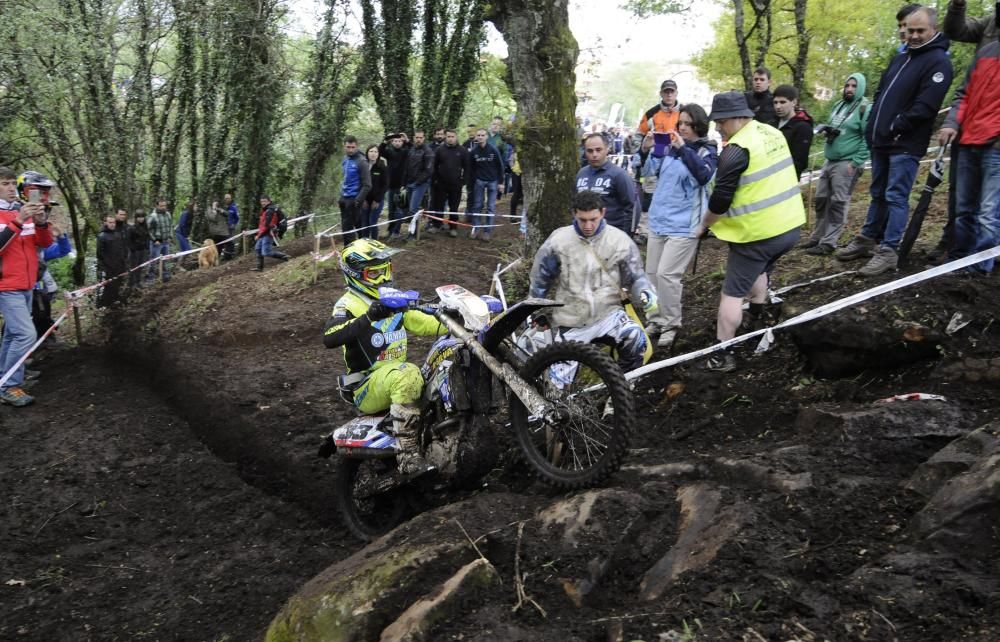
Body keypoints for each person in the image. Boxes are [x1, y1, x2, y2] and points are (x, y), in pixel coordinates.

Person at [835, 7, 953, 276]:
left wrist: (895, 126)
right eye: (910, 30)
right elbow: (881, 93)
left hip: (905, 142)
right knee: (877, 193)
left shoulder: (939, 62)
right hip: (880, 140)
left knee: (896, 195)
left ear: (933, 30)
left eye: (919, 31)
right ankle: (867, 240)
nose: (913, 35)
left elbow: (926, 106)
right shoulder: (901, 58)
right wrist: (873, 127)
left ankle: (889, 250)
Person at [322, 238, 445, 475]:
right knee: (407, 373)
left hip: (393, 379)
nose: (383, 279)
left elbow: (424, 322)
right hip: (366, 385)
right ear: (355, 274)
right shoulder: (348, 304)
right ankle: (408, 457)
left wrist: (459, 321)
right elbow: (330, 336)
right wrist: (369, 316)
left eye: (385, 270)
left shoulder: (392, 300)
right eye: (375, 273)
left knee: (443, 363)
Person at [702, 92, 805, 372]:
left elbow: (721, 200)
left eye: (721, 122)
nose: (718, 128)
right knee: (759, 271)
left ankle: (721, 353)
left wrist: (704, 224)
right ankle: (757, 319)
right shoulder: (771, 133)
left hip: (757, 235)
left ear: (736, 118)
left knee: (732, 295)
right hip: (790, 227)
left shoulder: (735, 149)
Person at [524, 190, 657, 373]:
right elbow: (541, 278)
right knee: (556, 384)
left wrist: (645, 291)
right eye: (583, 220)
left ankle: (622, 389)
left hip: (609, 315)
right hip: (571, 319)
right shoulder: (558, 240)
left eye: (593, 219)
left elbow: (635, 276)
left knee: (636, 339)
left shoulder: (619, 240)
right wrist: (533, 309)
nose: (588, 225)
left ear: (602, 213)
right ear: (574, 214)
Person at [640, 104, 718, 349]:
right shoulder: (669, 147)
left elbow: (705, 176)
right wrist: (646, 150)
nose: (682, 127)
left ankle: (672, 323)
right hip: (659, 220)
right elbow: (648, 172)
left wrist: (684, 150)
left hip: (685, 225)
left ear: (698, 125)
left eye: (687, 123)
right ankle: (655, 320)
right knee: (651, 274)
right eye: (680, 123)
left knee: (667, 275)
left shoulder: (708, 150)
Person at [927, 0, 998, 263]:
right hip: (970, 133)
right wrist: (952, 123)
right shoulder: (988, 36)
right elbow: (956, 31)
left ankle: (981, 266)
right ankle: (958, 256)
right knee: (964, 204)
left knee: (990, 210)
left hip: (995, 140)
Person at [0, 166, 53, 407]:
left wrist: (41, 222)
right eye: (5, 184)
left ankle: (7, 375)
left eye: (13, 183)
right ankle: (9, 385)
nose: (11, 188)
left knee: (12, 335)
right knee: (25, 334)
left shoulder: (23, 210)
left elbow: (43, 243)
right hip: (6, 284)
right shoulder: (10, 215)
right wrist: (18, 221)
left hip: (27, 282)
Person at [803, 73, 870, 256]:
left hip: (847, 162)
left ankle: (829, 242)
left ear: (861, 88)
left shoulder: (865, 108)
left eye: (854, 86)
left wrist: (856, 162)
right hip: (829, 159)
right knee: (821, 199)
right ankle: (817, 237)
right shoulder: (838, 105)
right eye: (847, 85)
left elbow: (868, 138)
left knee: (838, 202)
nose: (849, 89)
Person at [574, 133, 637, 234]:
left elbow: (631, 208)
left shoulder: (619, 175)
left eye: (598, 150)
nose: (594, 154)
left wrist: (626, 236)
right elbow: (575, 204)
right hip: (585, 233)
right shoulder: (581, 173)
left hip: (611, 234)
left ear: (607, 149)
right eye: (590, 151)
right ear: (585, 152)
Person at [429, 129, 469, 237]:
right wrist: (435, 180)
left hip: (456, 184)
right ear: (446, 137)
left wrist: (463, 181)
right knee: (439, 205)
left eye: (452, 136)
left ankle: (453, 227)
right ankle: (437, 225)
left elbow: (467, 167)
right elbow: (434, 166)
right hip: (441, 183)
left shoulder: (462, 150)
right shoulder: (439, 150)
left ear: (456, 137)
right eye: (448, 136)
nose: (450, 138)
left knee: (454, 207)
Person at [468, 128, 505, 241]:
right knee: (477, 205)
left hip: (493, 181)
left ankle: (487, 231)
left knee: (491, 207)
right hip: (479, 181)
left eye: (482, 135)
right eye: (478, 135)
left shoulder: (493, 149)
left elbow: (500, 166)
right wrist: (471, 182)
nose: (480, 137)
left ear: (486, 136)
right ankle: (476, 228)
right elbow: (471, 168)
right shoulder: (474, 151)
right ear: (476, 137)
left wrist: (501, 182)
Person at [773, 85, 814, 180]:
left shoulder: (803, 127)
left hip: (787, 180)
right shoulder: (772, 122)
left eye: (783, 102)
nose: (778, 106)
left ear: (794, 102)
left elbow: (800, 161)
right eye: (775, 102)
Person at [340, 135, 372, 244]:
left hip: (354, 199)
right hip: (344, 198)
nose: (350, 150)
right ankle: (364, 246)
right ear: (344, 146)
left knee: (347, 228)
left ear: (357, 146)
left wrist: (358, 200)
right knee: (357, 224)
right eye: (348, 147)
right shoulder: (345, 159)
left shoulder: (362, 161)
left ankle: (349, 253)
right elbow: (345, 178)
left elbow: (367, 185)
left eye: (353, 147)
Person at [378, 133, 410, 240]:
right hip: (390, 186)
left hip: (401, 186)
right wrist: (386, 140)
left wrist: (407, 140)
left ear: (402, 142)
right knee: (391, 210)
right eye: (395, 141)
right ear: (392, 142)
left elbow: (412, 148)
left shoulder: (405, 152)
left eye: (399, 141)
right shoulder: (389, 152)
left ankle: (396, 231)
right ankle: (390, 230)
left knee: (399, 210)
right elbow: (379, 151)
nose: (397, 143)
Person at [403, 131, 434, 240]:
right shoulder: (411, 150)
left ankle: (413, 234)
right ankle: (412, 232)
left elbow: (429, 170)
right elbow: (407, 167)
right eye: (417, 137)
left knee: (413, 208)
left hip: (420, 184)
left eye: (420, 137)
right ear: (414, 138)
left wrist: (418, 182)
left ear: (424, 138)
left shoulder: (428, 151)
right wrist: (405, 182)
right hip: (410, 183)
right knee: (411, 209)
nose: (418, 139)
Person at [636, 80, 681, 148]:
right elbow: (638, 136)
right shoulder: (650, 114)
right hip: (654, 155)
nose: (669, 95)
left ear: (676, 93)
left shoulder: (684, 112)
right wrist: (641, 154)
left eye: (672, 91)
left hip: (678, 155)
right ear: (661, 93)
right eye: (666, 91)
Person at [96, 213, 128, 307]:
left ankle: (114, 299)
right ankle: (103, 303)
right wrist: (105, 266)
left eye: (113, 222)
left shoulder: (117, 234)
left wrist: (123, 262)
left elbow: (121, 249)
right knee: (107, 285)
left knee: (117, 283)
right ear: (105, 223)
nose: (112, 224)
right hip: (107, 266)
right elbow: (100, 254)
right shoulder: (101, 236)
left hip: (118, 265)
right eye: (110, 222)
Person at [252, 194, 289, 271]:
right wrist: (259, 234)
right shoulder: (266, 209)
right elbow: (262, 224)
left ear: (269, 201)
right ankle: (259, 267)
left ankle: (284, 256)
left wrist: (258, 235)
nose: (263, 203)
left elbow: (267, 225)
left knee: (266, 252)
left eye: (265, 201)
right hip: (264, 233)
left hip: (269, 233)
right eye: (261, 201)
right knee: (258, 248)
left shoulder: (270, 210)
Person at [361, 144, 388, 240]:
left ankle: (374, 243)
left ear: (378, 154)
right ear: (367, 153)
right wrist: (362, 199)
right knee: (364, 223)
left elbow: (385, 185)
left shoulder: (382, 167)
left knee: (372, 222)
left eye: (375, 152)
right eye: (371, 151)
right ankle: (364, 243)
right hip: (364, 199)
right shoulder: (363, 165)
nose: (373, 154)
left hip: (377, 200)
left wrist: (377, 200)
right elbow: (359, 183)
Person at [146, 198, 173, 282]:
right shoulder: (153, 216)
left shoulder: (168, 214)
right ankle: (151, 277)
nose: (163, 207)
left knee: (166, 259)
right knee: (154, 260)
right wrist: (154, 240)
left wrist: (170, 236)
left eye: (164, 205)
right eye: (161, 206)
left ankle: (165, 275)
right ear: (157, 206)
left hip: (166, 241)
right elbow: (148, 229)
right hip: (157, 242)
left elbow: (170, 226)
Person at [128, 209, 151, 286]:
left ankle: (138, 282)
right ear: (136, 218)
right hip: (134, 251)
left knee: (140, 267)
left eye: (142, 217)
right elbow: (128, 240)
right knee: (134, 267)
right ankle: (132, 284)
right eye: (139, 217)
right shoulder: (132, 228)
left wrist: (147, 248)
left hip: (143, 250)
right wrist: (132, 249)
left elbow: (147, 237)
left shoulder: (145, 227)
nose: (141, 219)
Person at [222, 193, 239, 260]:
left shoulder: (233, 207)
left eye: (228, 198)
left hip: (230, 226)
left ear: (231, 199)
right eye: (225, 198)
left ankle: (230, 255)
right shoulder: (224, 207)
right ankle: (225, 255)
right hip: (223, 227)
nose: (227, 199)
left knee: (230, 241)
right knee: (225, 241)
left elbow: (237, 217)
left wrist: (234, 224)